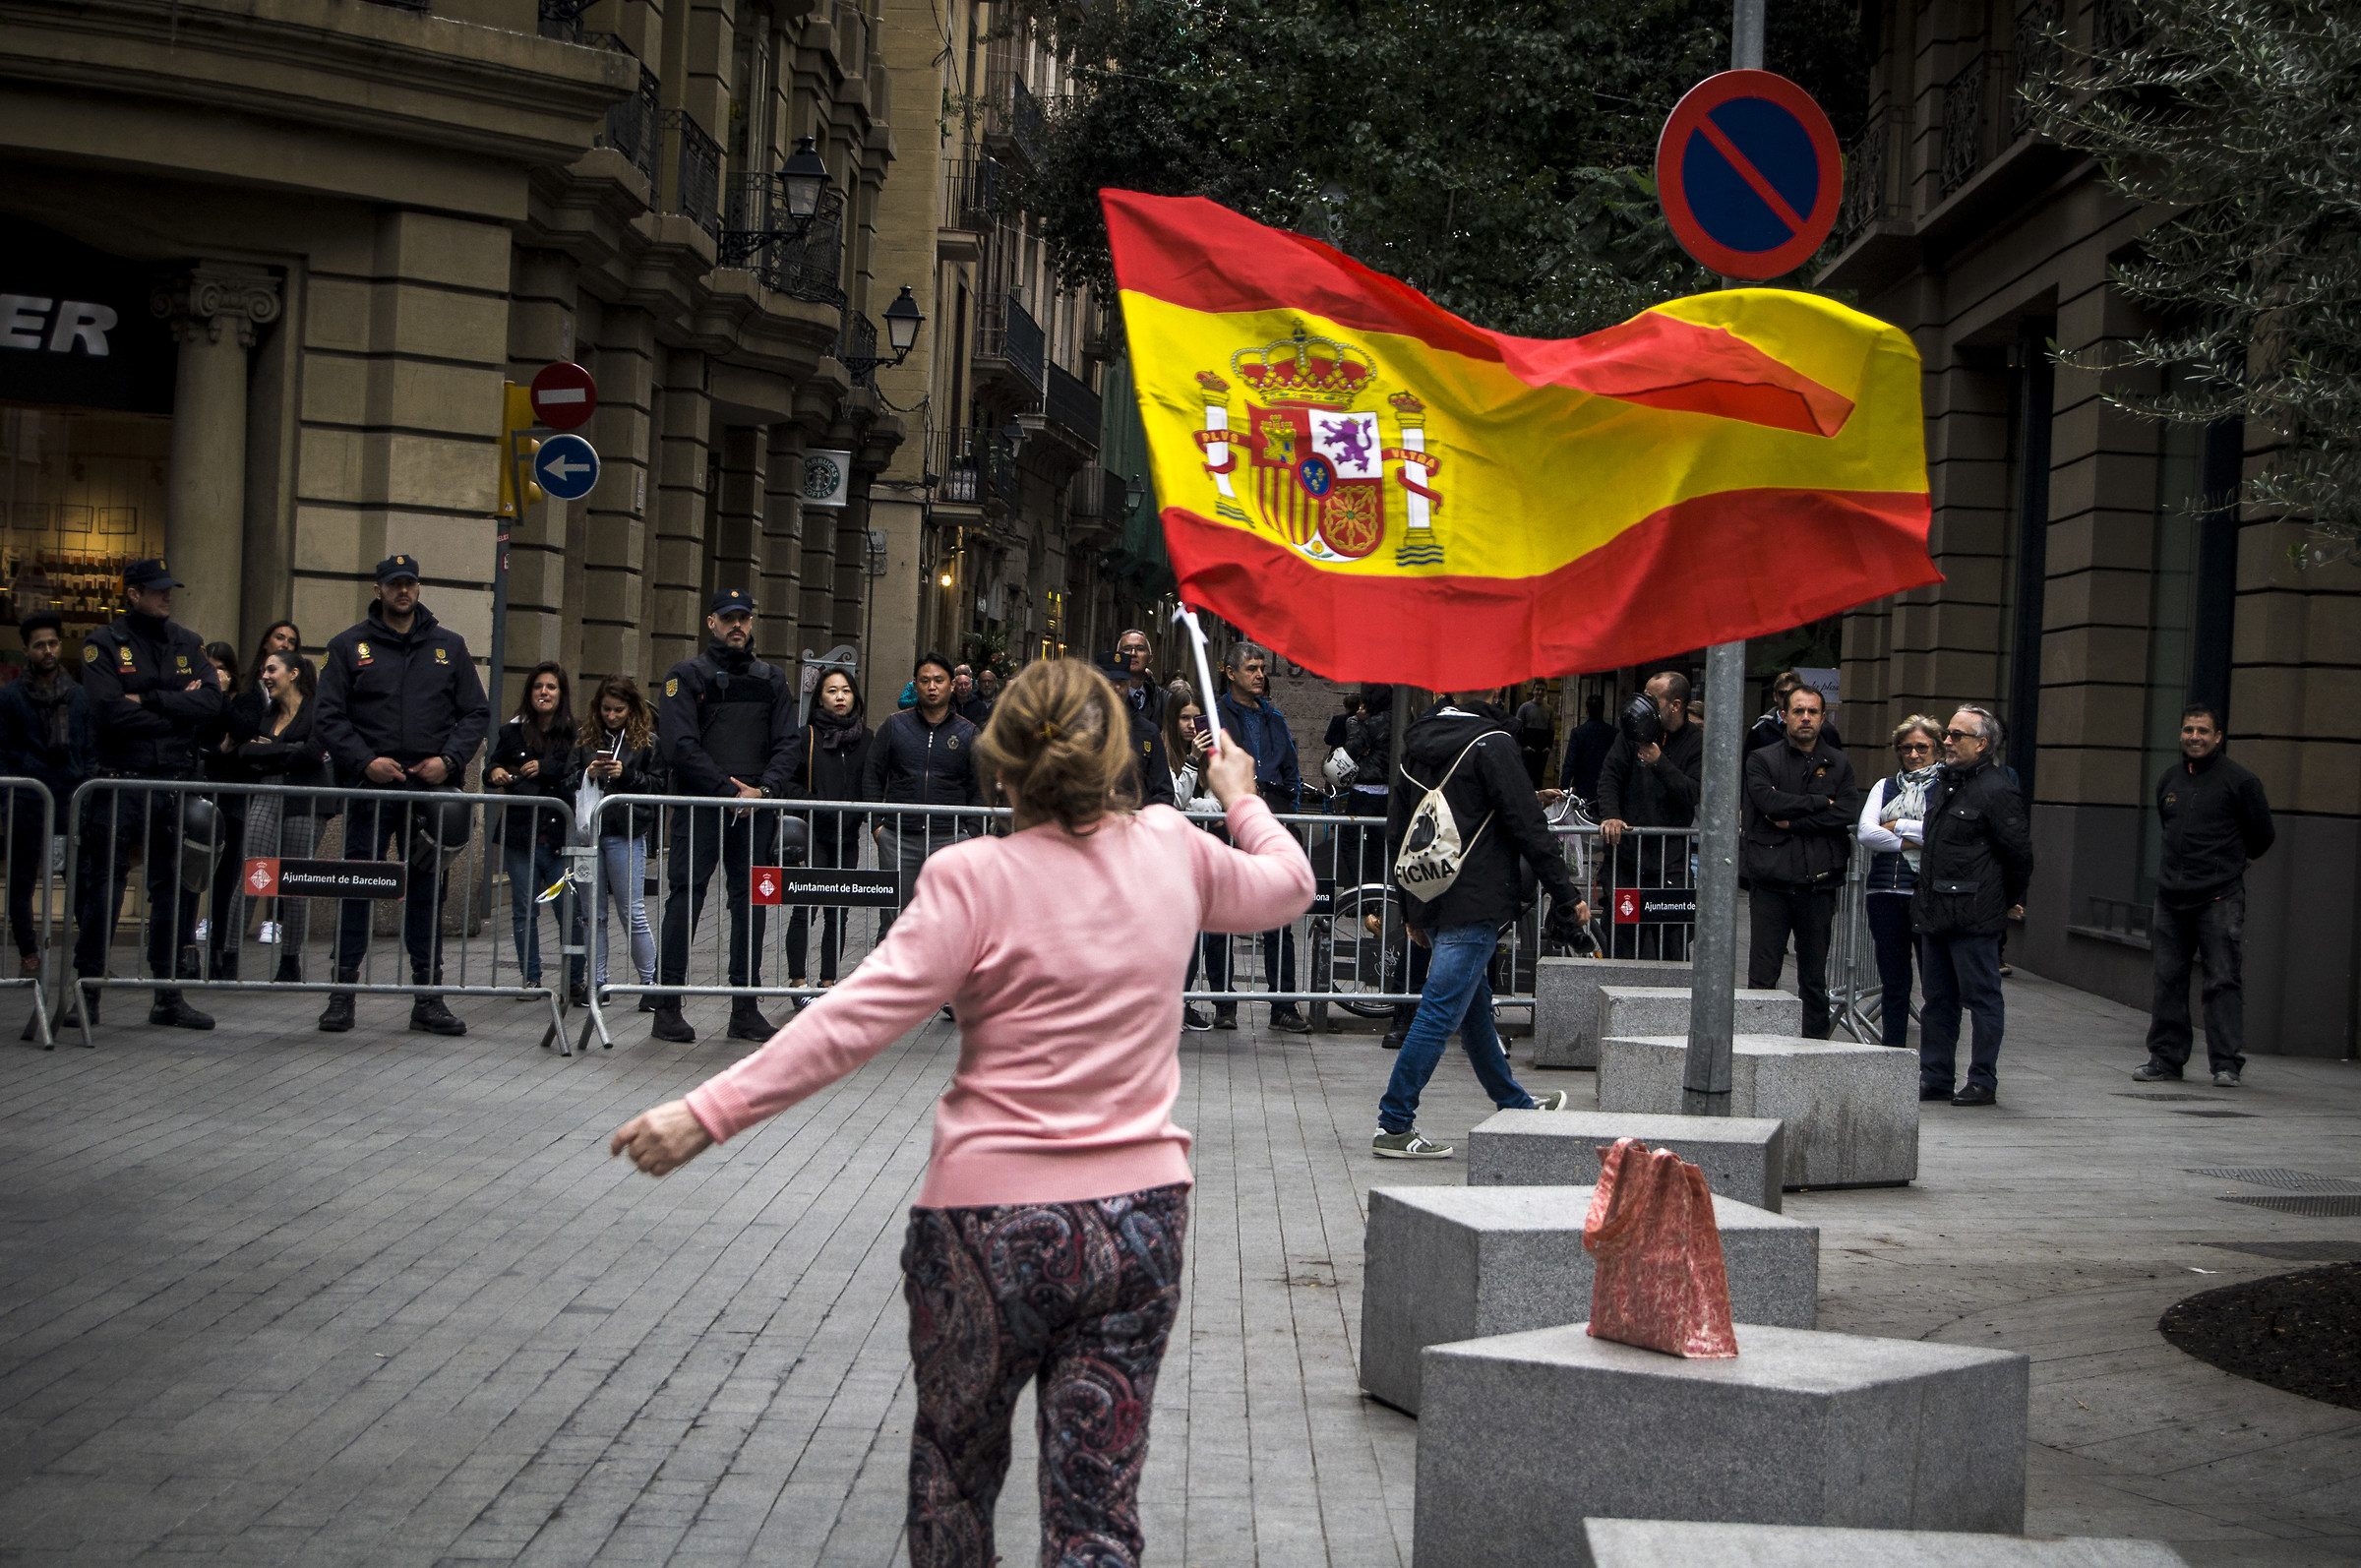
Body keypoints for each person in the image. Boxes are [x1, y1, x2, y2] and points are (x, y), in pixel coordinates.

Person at [609, 658, 1314, 1568]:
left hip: (985, 1226)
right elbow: (1289, 884)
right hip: (1136, 1222)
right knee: (1097, 1509)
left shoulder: (970, 876)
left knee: (954, 1477)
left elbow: (855, 1019)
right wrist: (1240, 795)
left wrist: (707, 1113)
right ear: (1117, 761)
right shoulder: (1172, 846)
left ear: (1002, 768)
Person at [1372, 692, 1589, 1158]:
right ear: (1490, 694)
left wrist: (1411, 910)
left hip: (1433, 892)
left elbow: (1398, 832)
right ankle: (1394, 1122)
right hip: (1476, 899)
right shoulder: (1493, 743)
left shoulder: (1417, 745)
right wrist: (1568, 895)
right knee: (1438, 1012)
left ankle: (1514, 1103)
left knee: (1473, 1011)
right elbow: (1529, 827)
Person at [313, 553, 490, 1037]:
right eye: (394, 584)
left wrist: (449, 761)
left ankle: (428, 999)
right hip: (371, 792)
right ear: (379, 590)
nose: (403, 591)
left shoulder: (449, 646)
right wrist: (364, 761)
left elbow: (476, 712)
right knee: (357, 889)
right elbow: (327, 716)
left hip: (428, 794)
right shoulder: (347, 646)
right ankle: (341, 995)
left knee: (427, 894)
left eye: (410, 583)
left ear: (418, 587)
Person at [65, 558, 224, 1033]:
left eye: (169, 588)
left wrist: (151, 699)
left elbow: (210, 702)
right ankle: (87, 992)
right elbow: (108, 712)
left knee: (173, 889)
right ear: (133, 593)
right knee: (105, 888)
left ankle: (168, 996)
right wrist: (178, 709)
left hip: (172, 781)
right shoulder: (103, 644)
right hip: (121, 781)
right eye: (157, 589)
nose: (167, 595)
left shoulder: (187, 642)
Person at [651, 587, 801, 1045]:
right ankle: (667, 1007)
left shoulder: (771, 679)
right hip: (702, 807)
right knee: (685, 898)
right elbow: (679, 745)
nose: (738, 625)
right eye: (728, 617)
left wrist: (764, 791)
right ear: (711, 622)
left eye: (744, 618)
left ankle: (745, 1008)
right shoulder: (685, 676)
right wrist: (728, 791)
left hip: (753, 808)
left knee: (751, 902)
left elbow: (788, 743)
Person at [2134, 703, 2274, 1088]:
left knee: (2222, 981)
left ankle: (2226, 1064)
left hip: (2218, 899)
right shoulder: (2170, 780)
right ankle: (2166, 1058)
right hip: (2170, 899)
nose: (2194, 737)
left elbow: (2262, 835)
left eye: (2203, 731)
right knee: (2167, 980)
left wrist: (2230, 866)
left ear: (2218, 737)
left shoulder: (2240, 781)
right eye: (2188, 730)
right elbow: (2167, 826)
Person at [1913, 704, 2034, 1107]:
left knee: (1982, 999)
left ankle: (1982, 1079)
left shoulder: (1998, 790)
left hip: (1975, 915)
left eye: (1956, 735)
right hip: (1936, 912)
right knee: (1937, 1000)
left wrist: (2004, 902)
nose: (1947, 741)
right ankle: (1935, 1077)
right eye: (1947, 733)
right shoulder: (1945, 782)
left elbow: (2018, 856)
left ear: (1981, 744)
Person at [1742, 684, 1860, 1039]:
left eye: (1812, 712)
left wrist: (1794, 821)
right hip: (1771, 882)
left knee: (1814, 978)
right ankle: (1756, 1045)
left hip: (1818, 883)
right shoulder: (1762, 759)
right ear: (1784, 716)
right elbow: (1768, 804)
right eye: (1798, 711)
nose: (1805, 718)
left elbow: (1846, 811)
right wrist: (1820, 803)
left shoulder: (1838, 763)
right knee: (1763, 976)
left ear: (1823, 718)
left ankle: (1815, 1047)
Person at [1215, 640, 1308, 1031]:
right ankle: (1223, 1003)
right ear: (1230, 673)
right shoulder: (1215, 716)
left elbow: (1291, 770)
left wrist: (1286, 811)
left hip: (1270, 824)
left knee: (1279, 917)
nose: (1259, 675)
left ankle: (1283, 1005)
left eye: (1261, 668)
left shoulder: (1274, 718)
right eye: (1251, 668)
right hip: (1228, 824)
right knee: (1221, 915)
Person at [863, 651, 985, 946]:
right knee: (894, 922)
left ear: (952, 685)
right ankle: (891, 975)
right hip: (899, 838)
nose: (932, 687)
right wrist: (878, 825)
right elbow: (872, 774)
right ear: (915, 685)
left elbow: (980, 785)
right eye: (925, 680)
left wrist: (971, 832)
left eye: (939, 680)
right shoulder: (894, 726)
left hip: (950, 840)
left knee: (949, 921)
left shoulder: (968, 732)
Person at [0, 614, 91, 995]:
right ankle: (29, 953)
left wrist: (87, 786)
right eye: (40, 645)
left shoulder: (77, 695)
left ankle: (87, 958)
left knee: (80, 881)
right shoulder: (10, 697)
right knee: (21, 881)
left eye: (53, 643)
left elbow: (89, 746)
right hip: (27, 798)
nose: (48, 651)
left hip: (70, 797)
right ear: (26, 650)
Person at [488, 662, 585, 1003]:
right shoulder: (511, 732)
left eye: (551, 687)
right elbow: (491, 765)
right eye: (538, 687)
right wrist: (495, 771)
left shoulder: (574, 733)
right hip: (521, 837)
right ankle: (531, 979)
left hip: (560, 840)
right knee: (524, 911)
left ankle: (574, 981)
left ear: (561, 694)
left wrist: (544, 768)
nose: (544, 692)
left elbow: (575, 771)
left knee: (568, 911)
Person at [234, 650, 333, 986]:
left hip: (305, 799)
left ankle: (290, 962)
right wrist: (288, 751)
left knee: (293, 883)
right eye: (264, 670)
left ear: (293, 673)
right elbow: (245, 752)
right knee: (253, 873)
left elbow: (312, 753)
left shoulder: (317, 710)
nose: (265, 676)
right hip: (268, 792)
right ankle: (228, 956)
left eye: (272, 669)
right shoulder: (269, 712)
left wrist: (270, 752)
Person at [1595, 670, 1703, 961]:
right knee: (1621, 945)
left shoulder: (1696, 741)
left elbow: (1693, 792)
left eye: (1652, 699)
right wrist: (1611, 816)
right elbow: (1609, 777)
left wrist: (1659, 762)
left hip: (1671, 864)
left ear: (1675, 705)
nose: (1643, 704)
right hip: (1627, 861)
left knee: (1672, 946)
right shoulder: (1632, 733)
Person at [1854, 716, 1944, 1049]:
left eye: (1922, 747)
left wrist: (1897, 826)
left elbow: (1943, 835)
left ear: (1936, 749)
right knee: (1894, 982)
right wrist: (1912, 840)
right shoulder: (1884, 786)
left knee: (1936, 984)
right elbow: (1866, 833)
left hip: (1928, 895)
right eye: (1906, 748)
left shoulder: (1946, 787)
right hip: (1885, 892)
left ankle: (1935, 1058)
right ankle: (1892, 1050)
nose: (1914, 754)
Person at [577, 675, 664, 1009]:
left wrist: (624, 774)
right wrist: (589, 773)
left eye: (618, 710)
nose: (611, 716)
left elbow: (658, 786)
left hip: (625, 832)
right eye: (606, 709)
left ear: (631, 709)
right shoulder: (585, 738)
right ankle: (597, 982)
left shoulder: (647, 743)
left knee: (632, 912)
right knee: (592, 914)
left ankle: (651, 982)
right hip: (589, 833)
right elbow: (567, 780)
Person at [786, 668, 871, 999]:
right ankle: (798, 983)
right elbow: (789, 784)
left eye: (846, 690)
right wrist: (816, 805)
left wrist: (864, 813)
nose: (839, 697)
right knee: (805, 908)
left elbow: (873, 782)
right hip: (814, 834)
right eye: (832, 690)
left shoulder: (866, 739)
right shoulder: (806, 736)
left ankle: (828, 983)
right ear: (819, 698)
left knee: (839, 912)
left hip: (848, 837)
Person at [1164, 687, 1222, 1031]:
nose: (1190, 725)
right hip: (1170, 857)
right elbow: (1172, 800)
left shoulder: (1209, 756)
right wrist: (1190, 762)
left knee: (1201, 934)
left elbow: (1216, 804)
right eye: (1184, 718)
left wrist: (1192, 807)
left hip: (1199, 857)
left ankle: (1181, 1001)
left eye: (1195, 718)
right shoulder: (1165, 752)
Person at [197, 641, 253, 983]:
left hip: (231, 800)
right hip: (200, 797)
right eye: (210, 668)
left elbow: (244, 732)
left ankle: (220, 951)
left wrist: (221, 698)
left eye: (222, 668)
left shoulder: (242, 701)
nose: (216, 674)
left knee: (226, 879)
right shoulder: (195, 697)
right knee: (191, 875)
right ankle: (186, 951)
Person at [1748, 670, 1846, 754]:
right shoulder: (1760, 730)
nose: (1787, 697)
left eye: (1791, 692)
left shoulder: (1826, 730)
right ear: (1775, 696)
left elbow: (1836, 763)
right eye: (1782, 693)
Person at [1557, 692, 1616, 803]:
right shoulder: (1613, 733)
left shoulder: (1578, 733)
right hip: (1606, 787)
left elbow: (1569, 764)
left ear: (1587, 711)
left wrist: (1562, 789)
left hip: (1582, 787)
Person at [1512, 681, 1554, 788]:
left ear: (1546, 692)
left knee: (1538, 780)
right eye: (1537, 689)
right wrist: (1524, 746)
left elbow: (1551, 730)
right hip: (1528, 750)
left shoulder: (1549, 709)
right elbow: (1517, 728)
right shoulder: (1524, 708)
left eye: (1542, 690)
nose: (1540, 692)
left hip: (1542, 751)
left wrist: (1548, 747)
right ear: (1533, 691)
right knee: (1525, 779)